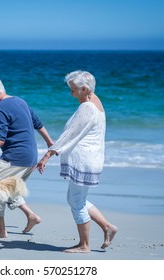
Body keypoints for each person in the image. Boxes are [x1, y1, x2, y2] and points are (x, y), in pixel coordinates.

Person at [37, 70, 117, 253]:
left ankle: (84, 245)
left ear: (84, 89)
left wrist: (47, 156)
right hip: (92, 159)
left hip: (84, 160)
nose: (71, 94)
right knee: (77, 199)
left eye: (73, 90)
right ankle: (107, 227)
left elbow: (69, 135)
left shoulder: (87, 107)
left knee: (76, 201)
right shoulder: (96, 100)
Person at [0, 76, 53, 238]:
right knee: (9, 190)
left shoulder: (0, 108)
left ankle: (0, 231)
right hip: (30, 157)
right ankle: (31, 216)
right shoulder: (20, 101)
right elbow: (38, 124)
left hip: (15, 157)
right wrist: (50, 144)